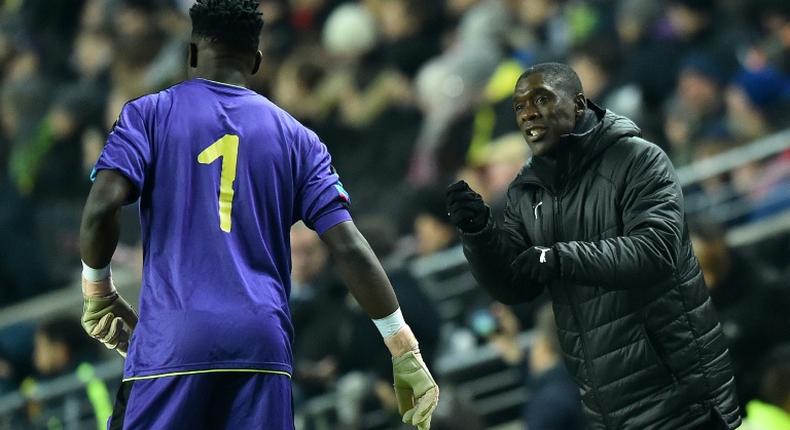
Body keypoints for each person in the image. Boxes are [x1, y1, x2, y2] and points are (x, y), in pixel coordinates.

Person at [77, 1, 438, 429]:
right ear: (256, 62)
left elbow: (102, 205)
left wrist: (97, 289)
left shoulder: (149, 114)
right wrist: (403, 347)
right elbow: (347, 245)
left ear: (190, 54)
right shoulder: (299, 138)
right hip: (263, 348)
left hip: (173, 344)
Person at [446, 62, 740, 429]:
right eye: (519, 107)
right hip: (607, 409)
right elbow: (514, 285)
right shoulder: (527, 190)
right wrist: (480, 235)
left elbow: (656, 250)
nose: (528, 114)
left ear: (579, 104)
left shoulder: (638, 159)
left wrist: (560, 257)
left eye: (541, 99)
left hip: (680, 394)